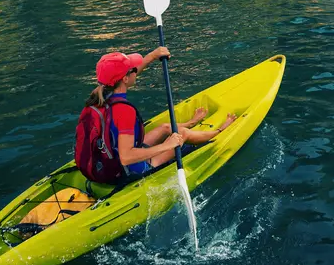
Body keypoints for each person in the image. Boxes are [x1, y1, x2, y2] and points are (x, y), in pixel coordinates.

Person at [85, 47, 237, 175]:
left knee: (165, 127)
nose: (135, 72)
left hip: (109, 159)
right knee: (180, 135)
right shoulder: (124, 111)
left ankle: (191, 122)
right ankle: (220, 131)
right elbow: (126, 157)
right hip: (131, 168)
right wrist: (167, 145)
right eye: (132, 70)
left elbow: (128, 74)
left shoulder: (99, 94)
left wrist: (152, 56)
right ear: (125, 79)